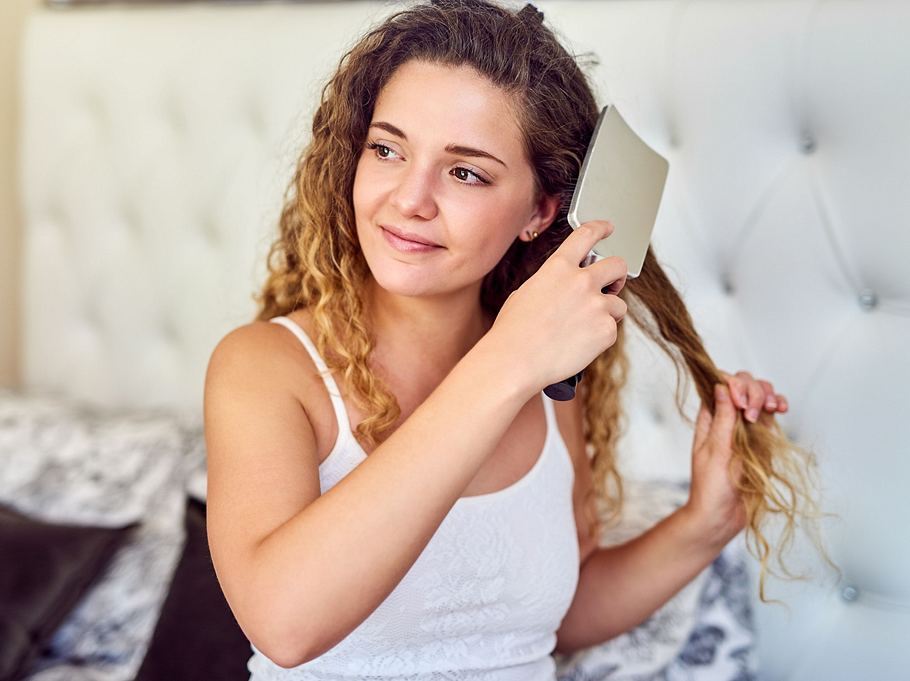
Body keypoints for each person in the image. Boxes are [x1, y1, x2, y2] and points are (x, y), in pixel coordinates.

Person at [203, 1, 832, 678]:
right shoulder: (266, 368)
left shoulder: (547, 380)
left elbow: (544, 620)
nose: (409, 198)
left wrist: (700, 526)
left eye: (465, 171)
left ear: (540, 211)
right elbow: (285, 623)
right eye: (387, 149)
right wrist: (505, 363)